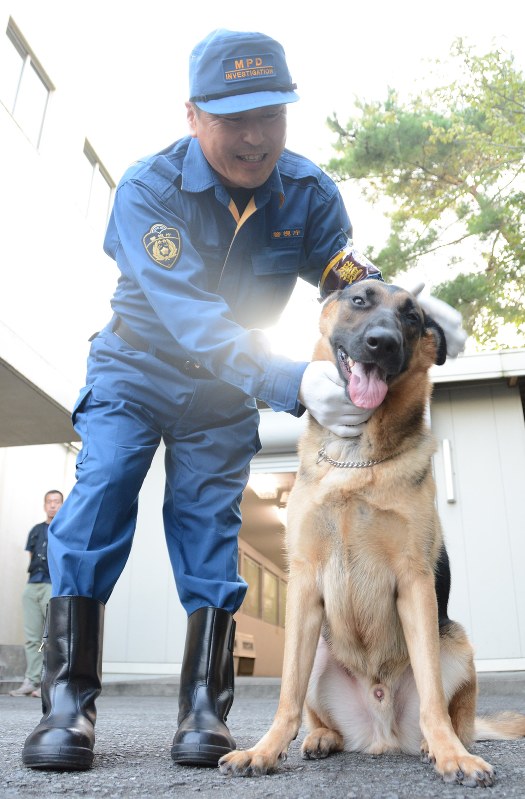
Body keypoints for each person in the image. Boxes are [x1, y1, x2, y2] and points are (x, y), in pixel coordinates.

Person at [22, 29, 466, 772]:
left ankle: (203, 706)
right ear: (193, 115)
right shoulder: (147, 190)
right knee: (97, 500)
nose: (255, 137)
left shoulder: (307, 192)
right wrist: (290, 378)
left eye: (271, 115)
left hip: (222, 387)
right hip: (137, 365)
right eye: (233, 118)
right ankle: (68, 704)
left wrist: (410, 307)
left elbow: (344, 279)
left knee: (208, 528)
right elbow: (188, 313)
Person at [10, 490, 64, 699]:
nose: (53, 505)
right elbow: (32, 557)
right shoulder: (35, 530)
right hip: (33, 585)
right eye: (49, 502)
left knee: (51, 636)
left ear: (62, 505)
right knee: (32, 637)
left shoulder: (64, 529)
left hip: (53, 585)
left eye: (57, 502)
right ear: (44, 505)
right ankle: (31, 679)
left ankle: (49, 682)